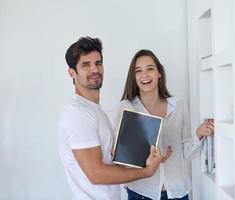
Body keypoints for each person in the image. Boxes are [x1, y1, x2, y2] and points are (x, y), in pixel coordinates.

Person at [57, 37, 164, 200]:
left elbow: (108, 162)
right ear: (72, 72)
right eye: (86, 65)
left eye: (98, 63)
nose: (95, 69)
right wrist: (146, 172)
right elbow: (96, 174)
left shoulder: (94, 110)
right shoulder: (78, 114)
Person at [112, 49, 214, 200]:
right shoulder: (127, 108)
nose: (145, 75)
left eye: (150, 69)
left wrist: (198, 134)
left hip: (177, 192)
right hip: (141, 193)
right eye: (138, 71)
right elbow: (123, 161)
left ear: (159, 73)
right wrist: (150, 161)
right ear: (133, 77)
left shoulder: (178, 105)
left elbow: (187, 153)